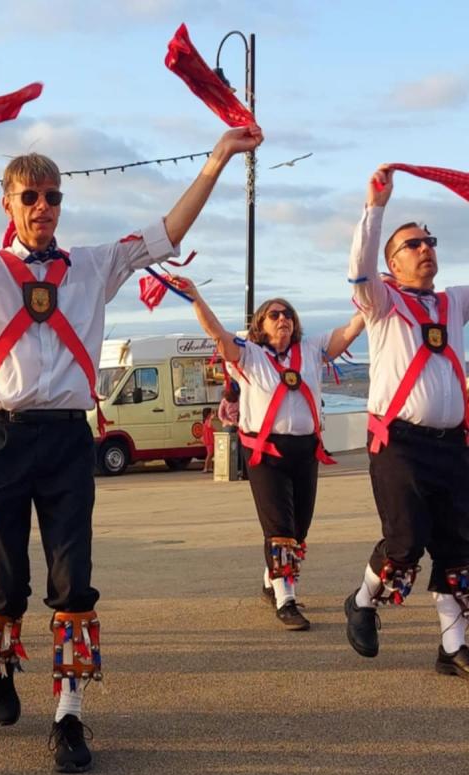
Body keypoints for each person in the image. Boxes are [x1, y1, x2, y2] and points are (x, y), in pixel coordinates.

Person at [0, 122, 263, 773]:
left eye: (52, 196)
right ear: (9, 205)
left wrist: (216, 159)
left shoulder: (95, 266)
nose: (43, 206)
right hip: (1, 440)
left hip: (69, 438)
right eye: (31, 196)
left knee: (74, 582)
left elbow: (168, 234)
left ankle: (69, 715)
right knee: (6, 582)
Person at [174, 278, 364, 631]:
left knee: (300, 529)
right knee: (279, 529)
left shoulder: (311, 349)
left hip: (306, 451)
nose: (283, 319)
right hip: (265, 454)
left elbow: (352, 330)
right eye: (274, 314)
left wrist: (371, 298)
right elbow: (216, 331)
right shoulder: (249, 354)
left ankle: (270, 579)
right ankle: (285, 600)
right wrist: (195, 296)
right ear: (260, 324)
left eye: (288, 314)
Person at [343, 166, 469, 678]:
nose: (425, 249)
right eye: (413, 244)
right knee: (405, 541)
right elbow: (359, 265)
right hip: (399, 442)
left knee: (460, 545)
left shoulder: (454, 301)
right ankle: (363, 601)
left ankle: (453, 646)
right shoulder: (381, 300)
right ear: (392, 263)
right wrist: (375, 208)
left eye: (430, 241)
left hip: (453, 444)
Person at [201, 407, 215, 473]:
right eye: (211, 412)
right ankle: (206, 468)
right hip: (209, 440)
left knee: (211, 454)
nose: (212, 414)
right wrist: (211, 419)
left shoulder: (205, 421)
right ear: (208, 414)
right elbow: (209, 426)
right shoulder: (207, 421)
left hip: (210, 440)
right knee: (210, 454)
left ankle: (209, 467)